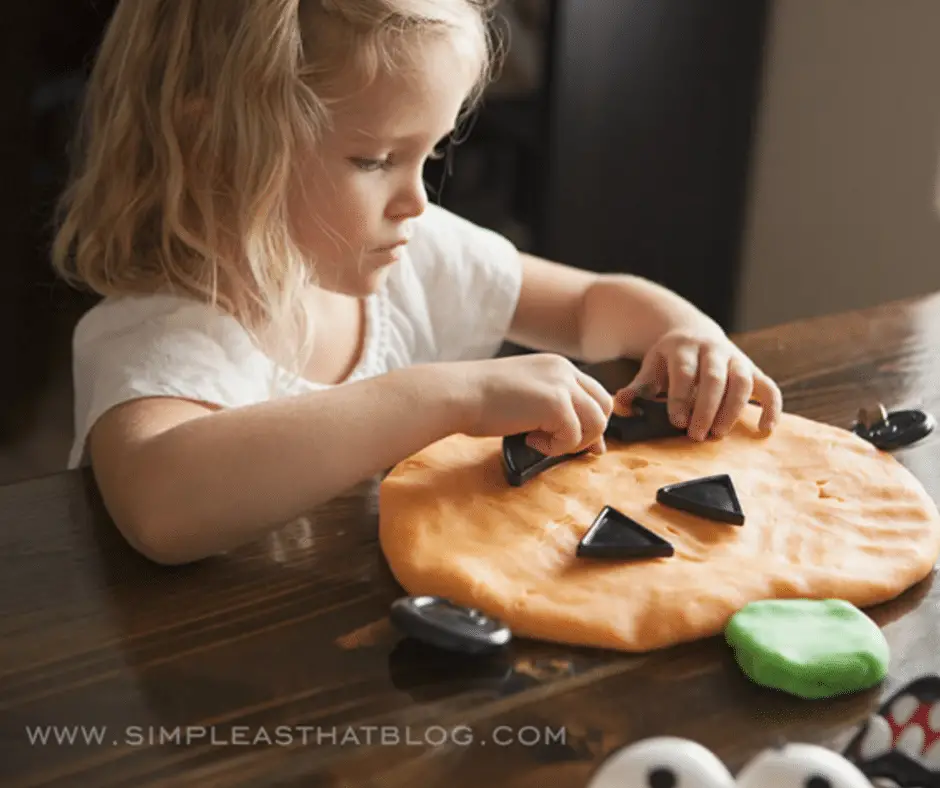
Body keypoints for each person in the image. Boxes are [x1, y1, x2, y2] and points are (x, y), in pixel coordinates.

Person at [52, 0, 783, 566]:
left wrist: (688, 335)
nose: (417, 200)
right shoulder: (156, 331)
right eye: (374, 160)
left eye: (427, 156)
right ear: (214, 142)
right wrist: (442, 396)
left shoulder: (410, 250)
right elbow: (162, 508)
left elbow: (591, 308)